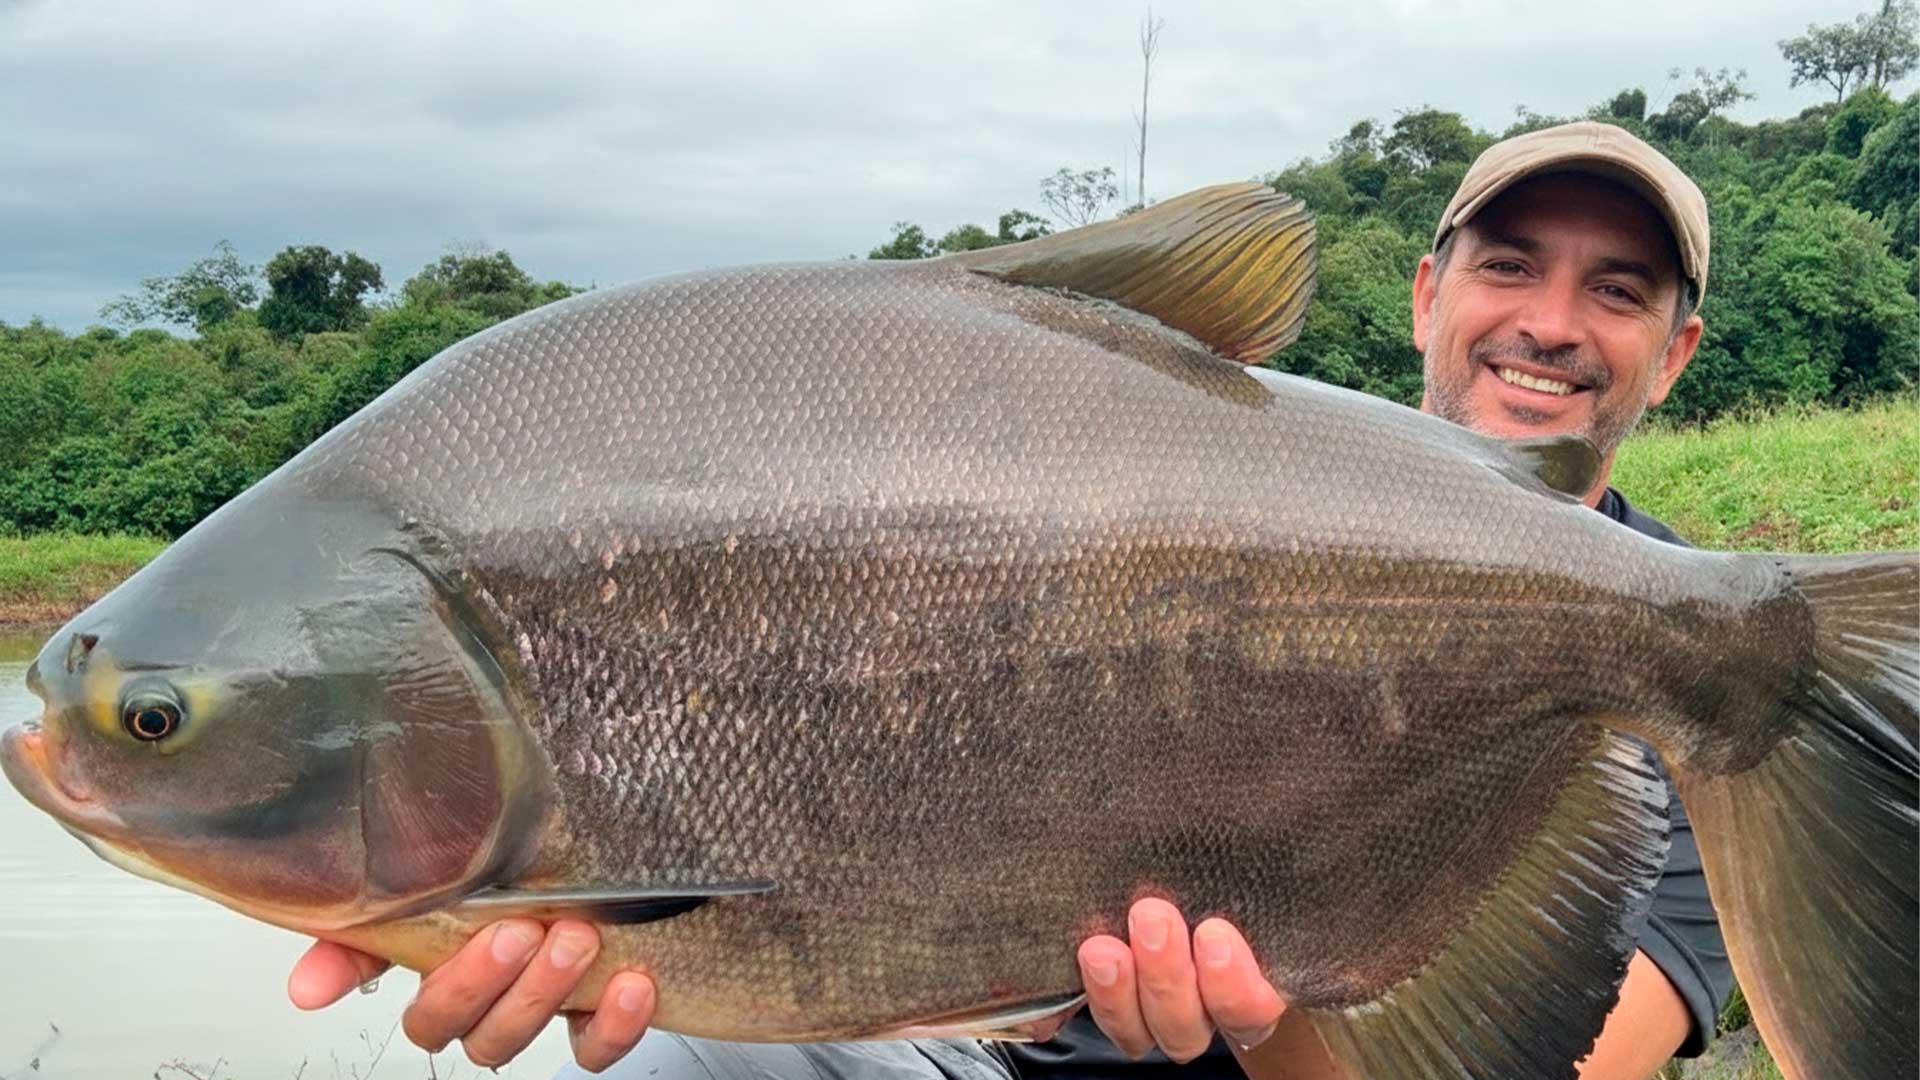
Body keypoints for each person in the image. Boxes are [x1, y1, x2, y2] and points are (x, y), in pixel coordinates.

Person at [286, 121, 1734, 1079]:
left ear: (1675, 355)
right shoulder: (1185, 480)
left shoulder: (1699, 666)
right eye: (1508, 265)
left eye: (1617, 290)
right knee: (692, 1043)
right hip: (982, 1053)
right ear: (1428, 295)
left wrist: (1270, 1005)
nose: (1549, 320)